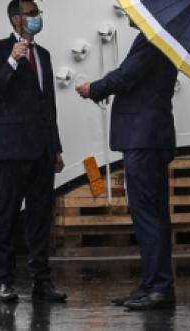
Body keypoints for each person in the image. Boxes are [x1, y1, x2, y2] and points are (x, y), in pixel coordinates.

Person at [77, 24, 179, 311]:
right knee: (152, 213)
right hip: (150, 138)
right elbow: (135, 76)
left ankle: (159, 287)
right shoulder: (160, 38)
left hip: (143, 138)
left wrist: (95, 88)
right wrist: (118, 77)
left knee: (147, 214)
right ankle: (152, 283)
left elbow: (128, 75)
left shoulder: (152, 38)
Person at [0, 0, 66, 303]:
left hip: (42, 149)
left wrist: (55, 147)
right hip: (12, 148)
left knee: (40, 217)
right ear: (15, 19)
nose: (37, 17)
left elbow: (49, 105)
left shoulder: (43, 55)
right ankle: (5, 280)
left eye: (38, 12)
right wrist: (11, 61)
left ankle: (41, 281)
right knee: (7, 216)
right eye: (31, 13)